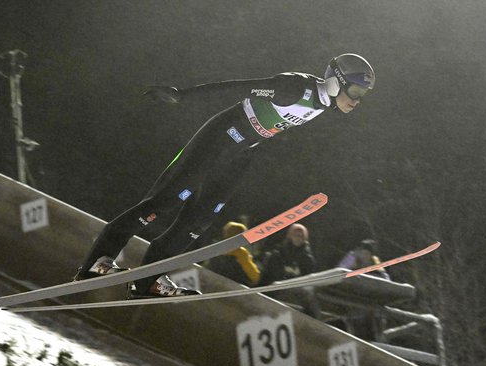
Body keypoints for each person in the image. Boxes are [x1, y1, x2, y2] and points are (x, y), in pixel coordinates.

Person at [74, 54, 376, 297]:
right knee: (162, 204)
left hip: (241, 152)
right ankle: (97, 261)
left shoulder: (323, 105)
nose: (357, 100)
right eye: (356, 92)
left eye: (362, 95)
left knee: (199, 221)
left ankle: (147, 281)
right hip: (219, 139)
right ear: (336, 82)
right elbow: (239, 88)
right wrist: (183, 95)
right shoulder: (296, 88)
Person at [259, 224, 322, 318]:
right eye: (295, 235)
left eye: (301, 236)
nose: (298, 238)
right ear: (290, 236)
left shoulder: (307, 259)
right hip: (274, 294)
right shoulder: (278, 254)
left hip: (295, 299)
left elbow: (308, 282)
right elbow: (268, 276)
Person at [207, 221, 261, 287]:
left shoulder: (216, 248)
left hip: (211, 281)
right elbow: (254, 276)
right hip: (231, 286)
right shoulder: (240, 253)